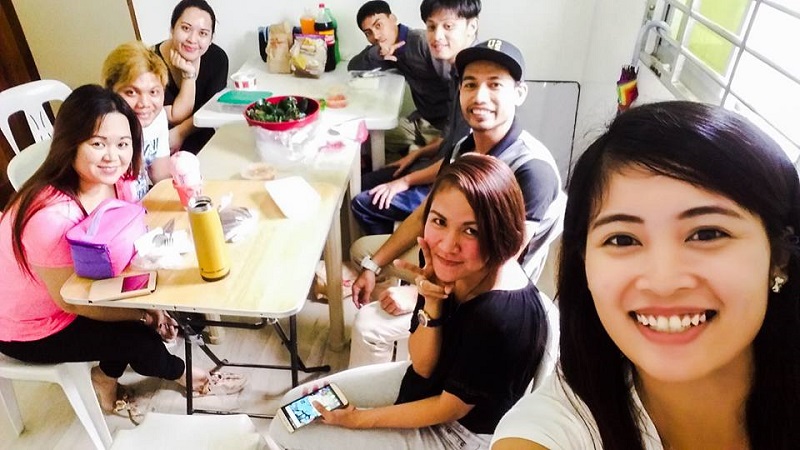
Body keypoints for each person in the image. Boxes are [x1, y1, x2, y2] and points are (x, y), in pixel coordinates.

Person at [492, 101, 800, 450]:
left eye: (707, 234)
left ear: (779, 256)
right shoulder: (551, 433)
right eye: (622, 239)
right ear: (585, 264)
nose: (663, 282)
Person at [270, 154, 549, 450]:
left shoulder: (500, 318)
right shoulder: (449, 266)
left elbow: (448, 409)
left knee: (288, 432)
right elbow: (423, 366)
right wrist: (431, 299)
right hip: (428, 386)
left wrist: (359, 419)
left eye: (471, 230)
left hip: (455, 434)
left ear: (500, 231)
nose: (447, 245)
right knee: (292, 408)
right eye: (439, 221)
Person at [0, 85, 245, 414]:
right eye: (97, 143)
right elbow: (71, 301)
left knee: (155, 306)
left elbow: (127, 241)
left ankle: (106, 375)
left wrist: (150, 306)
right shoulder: (50, 216)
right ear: (70, 143)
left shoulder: (119, 180)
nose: (112, 156)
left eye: (122, 143)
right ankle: (185, 376)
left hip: (84, 287)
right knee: (137, 337)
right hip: (30, 326)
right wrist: (143, 313)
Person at [348, 38, 564, 368]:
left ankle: (406, 376)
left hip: (487, 294)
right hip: (452, 258)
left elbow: (501, 264)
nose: (480, 97)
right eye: (471, 84)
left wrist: (421, 292)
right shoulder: (465, 146)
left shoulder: (531, 170)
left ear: (519, 93)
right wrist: (374, 266)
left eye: (495, 85)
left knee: (369, 326)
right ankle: (420, 351)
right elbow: (426, 212)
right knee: (362, 252)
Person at [350, 0, 480, 236]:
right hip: (437, 141)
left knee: (363, 201)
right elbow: (354, 66)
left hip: (450, 175)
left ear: (393, 19)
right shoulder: (456, 72)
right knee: (365, 176)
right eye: (432, 27)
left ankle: (397, 246)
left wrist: (407, 180)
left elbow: (458, 158)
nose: (437, 36)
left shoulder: (468, 82)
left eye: (448, 27)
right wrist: (417, 155)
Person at [348, 1, 450, 170]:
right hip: (421, 122)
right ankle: (411, 154)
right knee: (368, 140)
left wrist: (448, 135)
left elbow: (458, 90)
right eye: (368, 33)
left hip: (444, 128)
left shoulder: (422, 42)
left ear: (393, 19)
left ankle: (415, 157)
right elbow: (353, 67)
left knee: (415, 170)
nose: (376, 36)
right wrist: (377, 53)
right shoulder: (385, 51)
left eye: (378, 25)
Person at [153, 0, 228, 154]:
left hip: (201, 136)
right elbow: (174, 117)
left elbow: (211, 108)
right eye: (186, 28)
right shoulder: (150, 63)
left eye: (203, 33)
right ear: (172, 29)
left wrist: (181, 132)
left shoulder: (217, 58)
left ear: (211, 38)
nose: (192, 40)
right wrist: (189, 76)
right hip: (161, 142)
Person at [102, 41, 171, 201]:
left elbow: (161, 177)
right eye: (131, 92)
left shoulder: (157, 118)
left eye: (153, 92)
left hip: (140, 207)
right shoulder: (101, 131)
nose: (144, 104)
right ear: (110, 91)